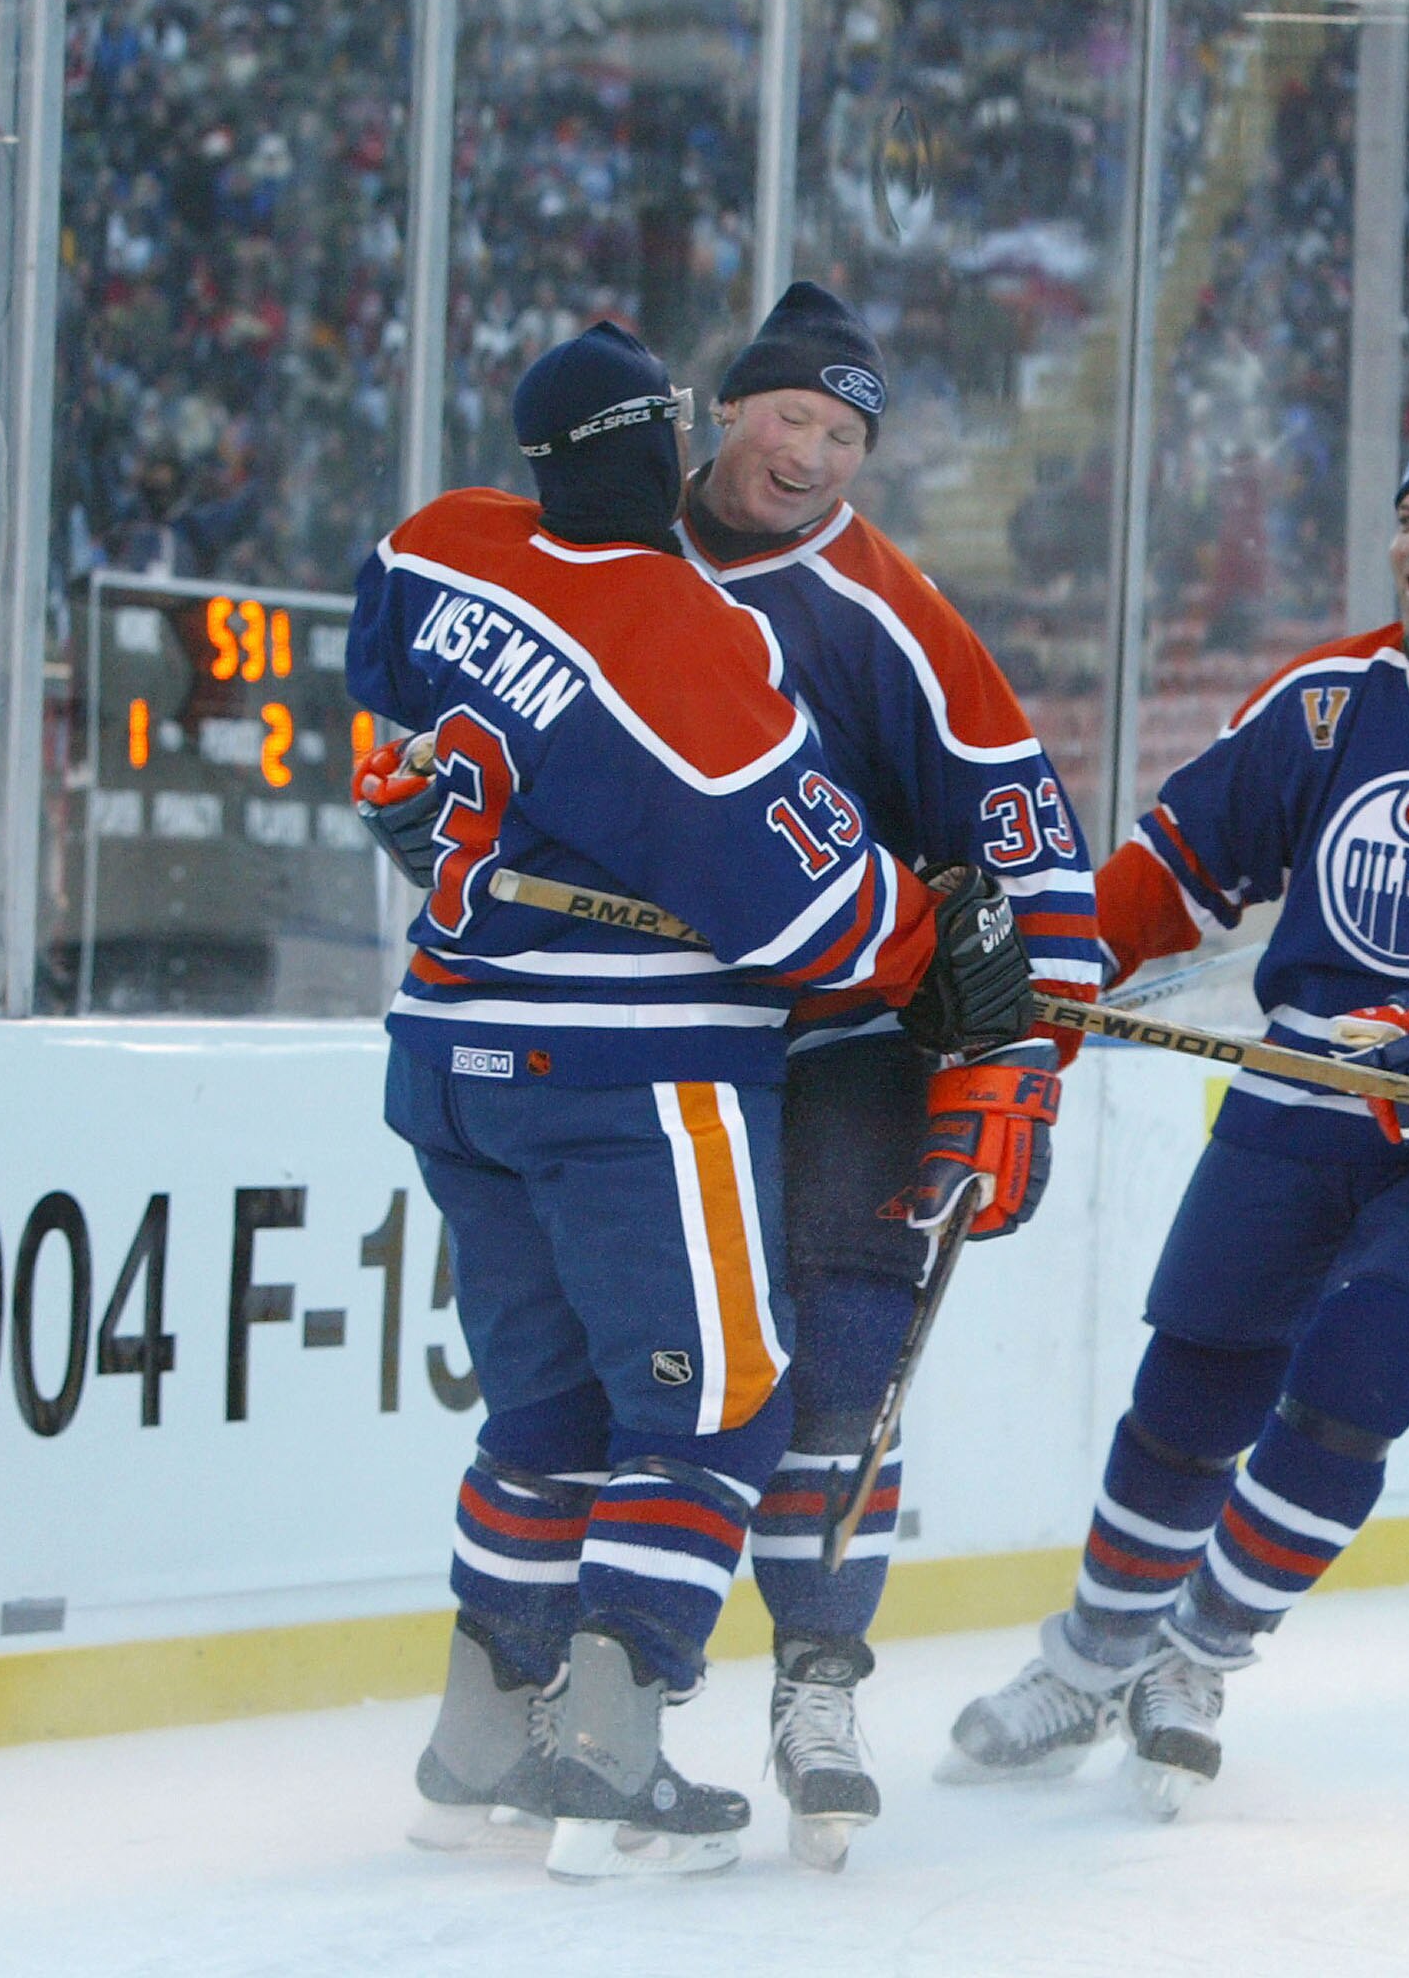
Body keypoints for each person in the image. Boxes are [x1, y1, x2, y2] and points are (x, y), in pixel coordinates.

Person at [941, 416, 1409, 1815]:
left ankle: (1197, 1655)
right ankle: (1095, 1652)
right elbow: (1178, 866)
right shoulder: (1329, 697)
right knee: (1191, 1382)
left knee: (1362, 1362)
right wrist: (1045, 975)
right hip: (1310, 1091)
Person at [346, 320, 1036, 1881]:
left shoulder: (441, 542)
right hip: (630, 1074)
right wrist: (941, 961)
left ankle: (477, 1740)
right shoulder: (677, 636)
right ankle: (611, 1752)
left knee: (548, 1415)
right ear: (679, 441)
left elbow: (385, 684)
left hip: (451, 1040)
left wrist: (461, 800)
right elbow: (811, 916)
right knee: (720, 1406)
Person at [673, 282, 1101, 1869]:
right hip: (647, 1034)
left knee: (846, 1349)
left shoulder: (888, 612)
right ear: (729, 411)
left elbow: (1025, 841)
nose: (812, 455)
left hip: (849, 1034)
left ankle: (817, 1683)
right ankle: (594, 1691)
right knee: (651, 1368)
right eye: (791, 416)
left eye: (846, 435)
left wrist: (1022, 1053)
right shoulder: (607, 560)